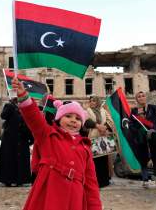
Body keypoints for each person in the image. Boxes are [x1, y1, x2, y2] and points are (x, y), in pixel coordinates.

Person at [12, 78, 102, 210]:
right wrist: (23, 96)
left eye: (77, 118)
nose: (73, 121)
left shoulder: (85, 147)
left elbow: (91, 184)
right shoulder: (48, 135)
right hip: (48, 195)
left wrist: (95, 207)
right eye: (68, 116)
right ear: (59, 119)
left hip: (75, 199)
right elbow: (34, 118)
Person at [0, 97, 34, 187]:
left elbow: (29, 123)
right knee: (9, 159)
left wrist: (31, 137)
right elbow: (3, 116)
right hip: (10, 139)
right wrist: (12, 106)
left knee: (21, 160)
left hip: (23, 138)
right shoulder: (9, 106)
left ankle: (20, 180)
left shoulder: (25, 108)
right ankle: (8, 180)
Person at [84, 95, 114, 188]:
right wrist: (97, 126)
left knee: (104, 159)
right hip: (93, 137)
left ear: (97, 102)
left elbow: (110, 121)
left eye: (94, 101)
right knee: (94, 160)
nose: (92, 103)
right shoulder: (87, 111)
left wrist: (105, 127)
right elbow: (86, 122)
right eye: (90, 101)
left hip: (103, 136)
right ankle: (94, 181)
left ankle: (104, 180)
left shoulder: (103, 111)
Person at [131, 91, 156, 188]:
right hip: (141, 138)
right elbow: (131, 125)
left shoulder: (153, 108)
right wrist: (138, 127)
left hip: (153, 137)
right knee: (143, 159)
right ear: (136, 99)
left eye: (143, 96)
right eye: (139, 96)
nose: (141, 98)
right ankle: (145, 179)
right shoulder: (134, 111)